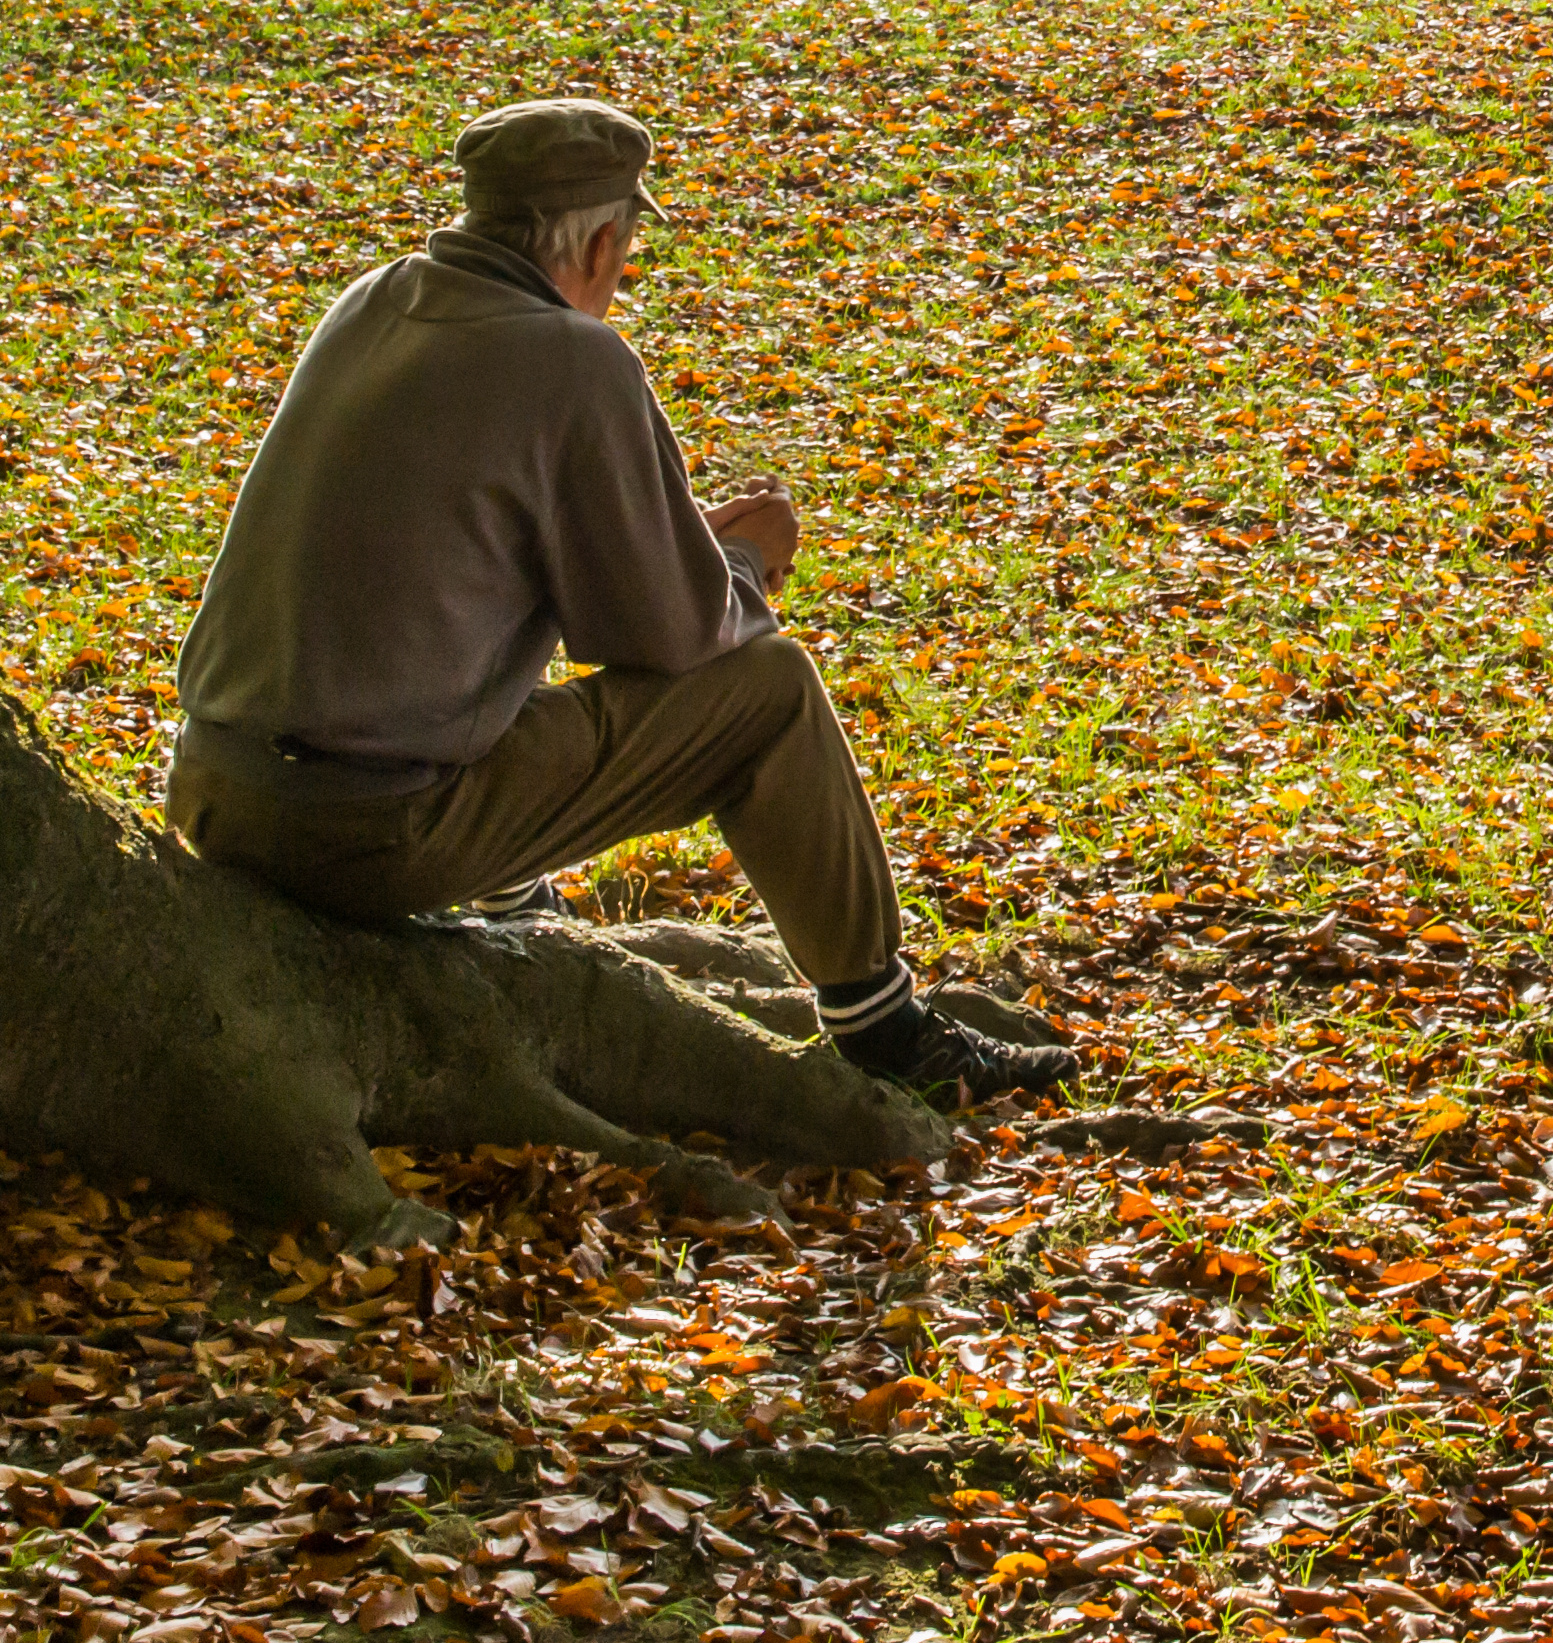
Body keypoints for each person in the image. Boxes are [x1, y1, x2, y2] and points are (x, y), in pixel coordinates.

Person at [163, 97, 1075, 1111]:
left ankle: (517, 904)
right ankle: (886, 1031)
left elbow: (480, 569)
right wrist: (744, 562)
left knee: (506, 597)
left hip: (213, 787)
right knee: (768, 690)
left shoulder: (375, 300)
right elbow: (677, 635)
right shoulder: (573, 359)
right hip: (361, 835)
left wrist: (683, 543)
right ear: (601, 243)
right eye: (628, 244)